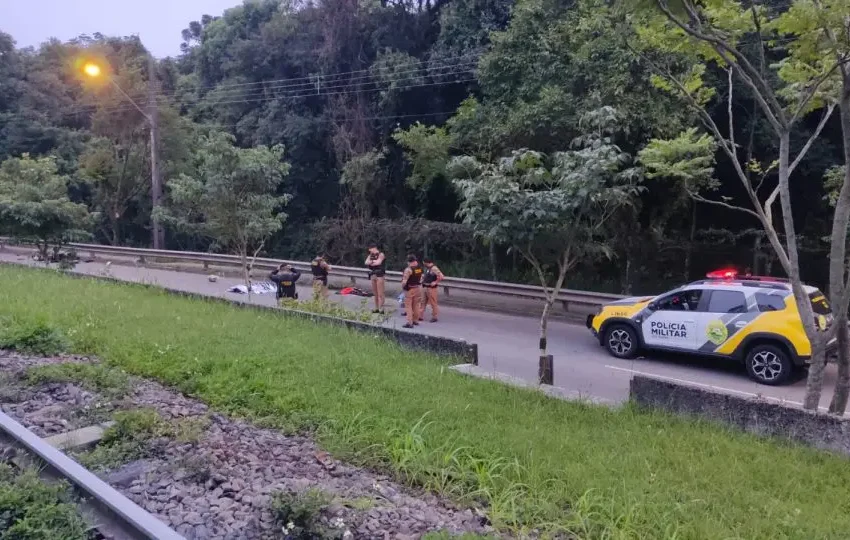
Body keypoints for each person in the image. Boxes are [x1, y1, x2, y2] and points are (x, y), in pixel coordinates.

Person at [400, 255, 423, 328]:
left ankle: (409, 323)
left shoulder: (408, 270)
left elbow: (404, 281)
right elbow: (421, 278)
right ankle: (415, 320)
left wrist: (403, 287)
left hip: (409, 289)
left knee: (408, 306)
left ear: (409, 262)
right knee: (416, 305)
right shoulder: (419, 268)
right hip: (418, 288)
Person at [364, 244, 386, 313]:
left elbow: (378, 263)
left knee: (380, 293)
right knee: (375, 293)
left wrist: (371, 262)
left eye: (371, 250)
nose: (370, 252)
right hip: (373, 274)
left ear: (374, 248)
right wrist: (372, 262)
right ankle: (376, 308)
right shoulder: (370, 255)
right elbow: (366, 262)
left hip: (380, 275)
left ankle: (381, 308)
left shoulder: (381, 254)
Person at [420, 258, 444, 323]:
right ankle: (420, 315)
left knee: (433, 303)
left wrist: (436, 282)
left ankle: (434, 317)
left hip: (431, 288)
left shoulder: (434, 268)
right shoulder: (428, 268)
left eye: (424, 263)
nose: (423, 264)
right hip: (425, 287)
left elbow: (441, 276)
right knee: (422, 302)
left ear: (426, 262)